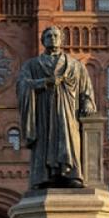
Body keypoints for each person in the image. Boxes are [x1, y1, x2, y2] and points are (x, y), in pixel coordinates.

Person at [17, 26, 96, 189]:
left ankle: (71, 175)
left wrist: (87, 101)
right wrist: (44, 82)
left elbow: (86, 87)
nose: (52, 38)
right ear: (43, 41)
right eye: (48, 36)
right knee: (44, 142)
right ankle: (44, 177)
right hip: (43, 111)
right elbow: (22, 84)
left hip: (68, 111)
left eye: (55, 35)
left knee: (69, 141)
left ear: (61, 39)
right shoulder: (32, 65)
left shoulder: (75, 65)